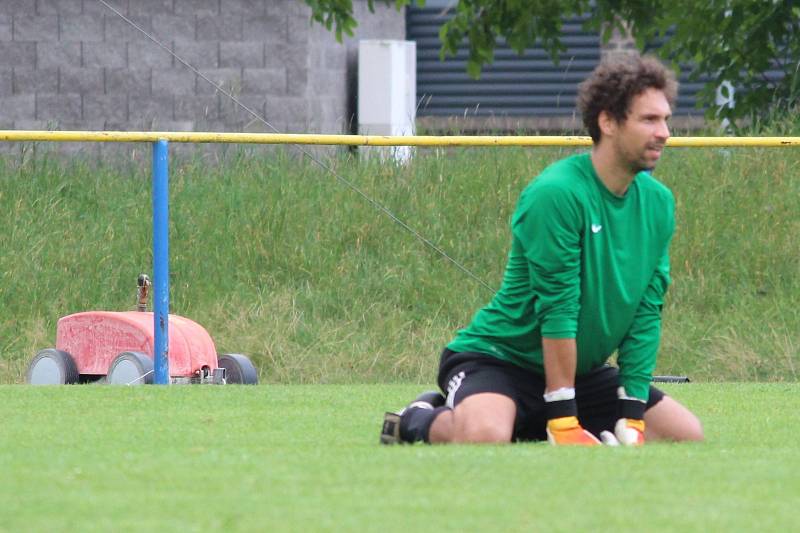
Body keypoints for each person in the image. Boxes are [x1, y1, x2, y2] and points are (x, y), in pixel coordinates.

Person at [381, 53, 704, 446]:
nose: (665, 132)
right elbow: (560, 310)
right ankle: (417, 418)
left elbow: (646, 312)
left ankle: (529, 421)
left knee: (685, 434)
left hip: (580, 372)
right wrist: (564, 418)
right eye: (649, 119)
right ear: (607, 122)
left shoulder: (658, 203)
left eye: (666, 118)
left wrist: (633, 414)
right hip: (499, 359)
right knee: (485, 436)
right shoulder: (557, 193)